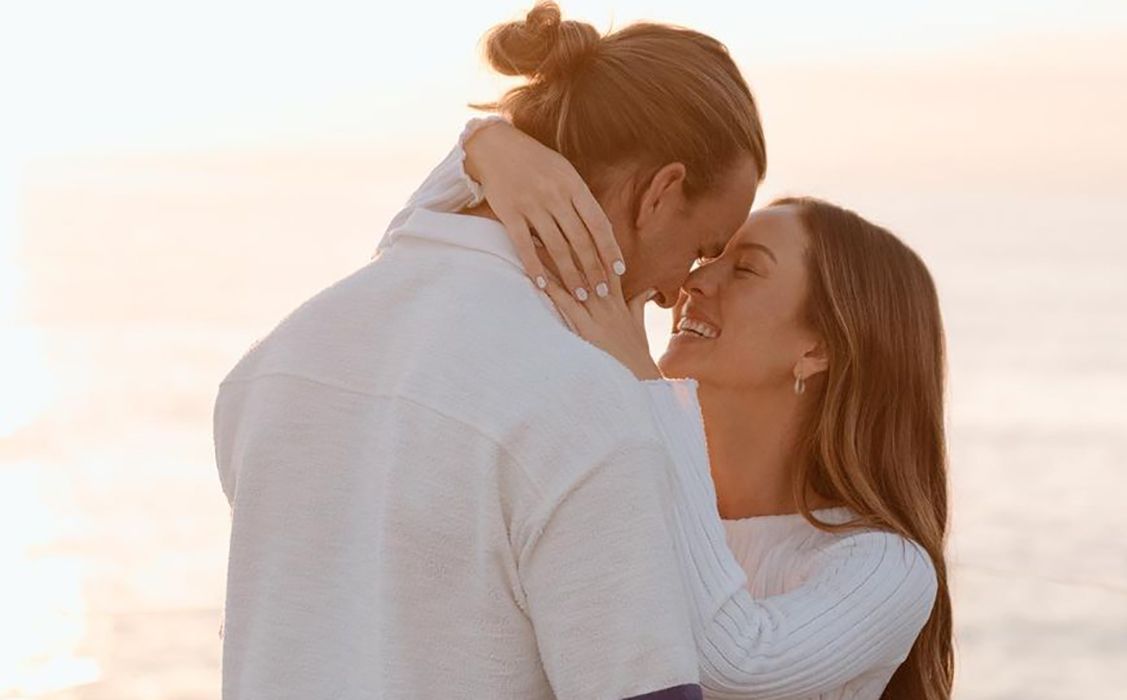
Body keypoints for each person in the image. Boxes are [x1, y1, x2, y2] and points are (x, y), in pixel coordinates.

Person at [211, 3, 764, 698]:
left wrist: (482, 145)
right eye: (702, 248)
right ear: (660, 193)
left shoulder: (273, 364)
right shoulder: (585, 406)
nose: (674, 294)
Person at [408, 25, 956, 695]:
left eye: (744, 269)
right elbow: (404, 266)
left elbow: (732, 659)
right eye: (706, 254)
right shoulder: (623, 485)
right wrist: (488, 148)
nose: (695, 281)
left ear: (819, 349)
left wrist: (639, 377)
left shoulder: (883, 566)